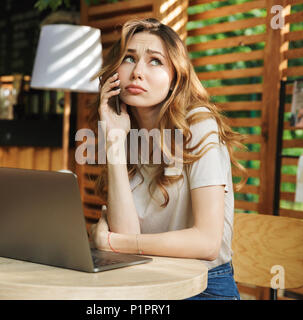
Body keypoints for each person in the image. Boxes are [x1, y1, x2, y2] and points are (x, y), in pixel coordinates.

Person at [87, 18, 247, 300]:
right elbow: (126, 239)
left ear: (177, 76)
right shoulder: (125, 132)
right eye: (129, 58)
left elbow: (207, 243)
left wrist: (113, 241)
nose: (137, 72)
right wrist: (114, 142)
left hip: (203, 286)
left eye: (155, 61)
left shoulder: (198, 124)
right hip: (145, 281)